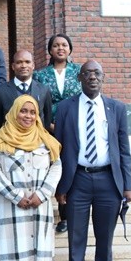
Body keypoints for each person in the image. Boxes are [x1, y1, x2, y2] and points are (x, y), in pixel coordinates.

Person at [54, 60, 131, 261]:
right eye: (87, 73)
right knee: (76, 240)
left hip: (108, 182)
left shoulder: (116, 108)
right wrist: (60, 186)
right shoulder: (65, 108)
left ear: (103, 77)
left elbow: (124, 150)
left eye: (97, 73)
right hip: (77, 180)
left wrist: (128, 185)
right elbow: (58, 149)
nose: (92, 77)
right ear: (79, 78)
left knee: (105, 241)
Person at [0, 95, 62, 261]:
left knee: (40, 250)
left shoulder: (46, 140)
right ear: (14, 112)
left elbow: (56, 167)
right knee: (7, 250)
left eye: (32, 112)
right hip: (10, 207)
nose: (28, 116)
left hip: (39, 207)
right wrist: (15, 196)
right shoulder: (0, 139)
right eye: (23, 111)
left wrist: (43, 193)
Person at [33, 33, 82, 233]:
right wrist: (49, 125)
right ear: (50, 50)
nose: (60, 48)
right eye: (56, 45)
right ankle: (59, 215)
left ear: (70, 49)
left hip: (76, 129)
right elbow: (37, 104)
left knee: (73, 170)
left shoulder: (79, 71)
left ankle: (70, 216)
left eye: (64, 45)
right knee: (56, 171)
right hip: (49, 130)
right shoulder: (40, 75)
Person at [0, 50, 52, 134]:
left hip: (37, 139)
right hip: (10, 139)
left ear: (33, 65)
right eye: (19, 62)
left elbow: (47, 121)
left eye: (27, 62)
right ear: (13, 66)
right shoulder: (0, 91)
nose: (23, 66)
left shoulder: (44, 90)